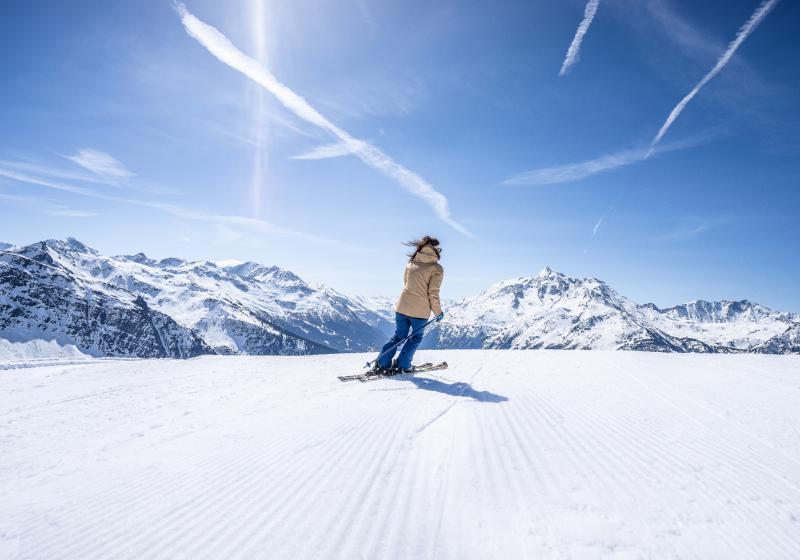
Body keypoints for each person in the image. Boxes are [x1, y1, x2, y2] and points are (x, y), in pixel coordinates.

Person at [373, 236, 445, 373]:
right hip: (419, 311)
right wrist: (438, 312)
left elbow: (406, 283)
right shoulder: (437, 268)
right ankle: (402, 365)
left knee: (398, 336)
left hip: (402, 306)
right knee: (415, 338)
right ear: (435, 250)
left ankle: (382, 363)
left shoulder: (411, 262)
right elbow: (433, 293)